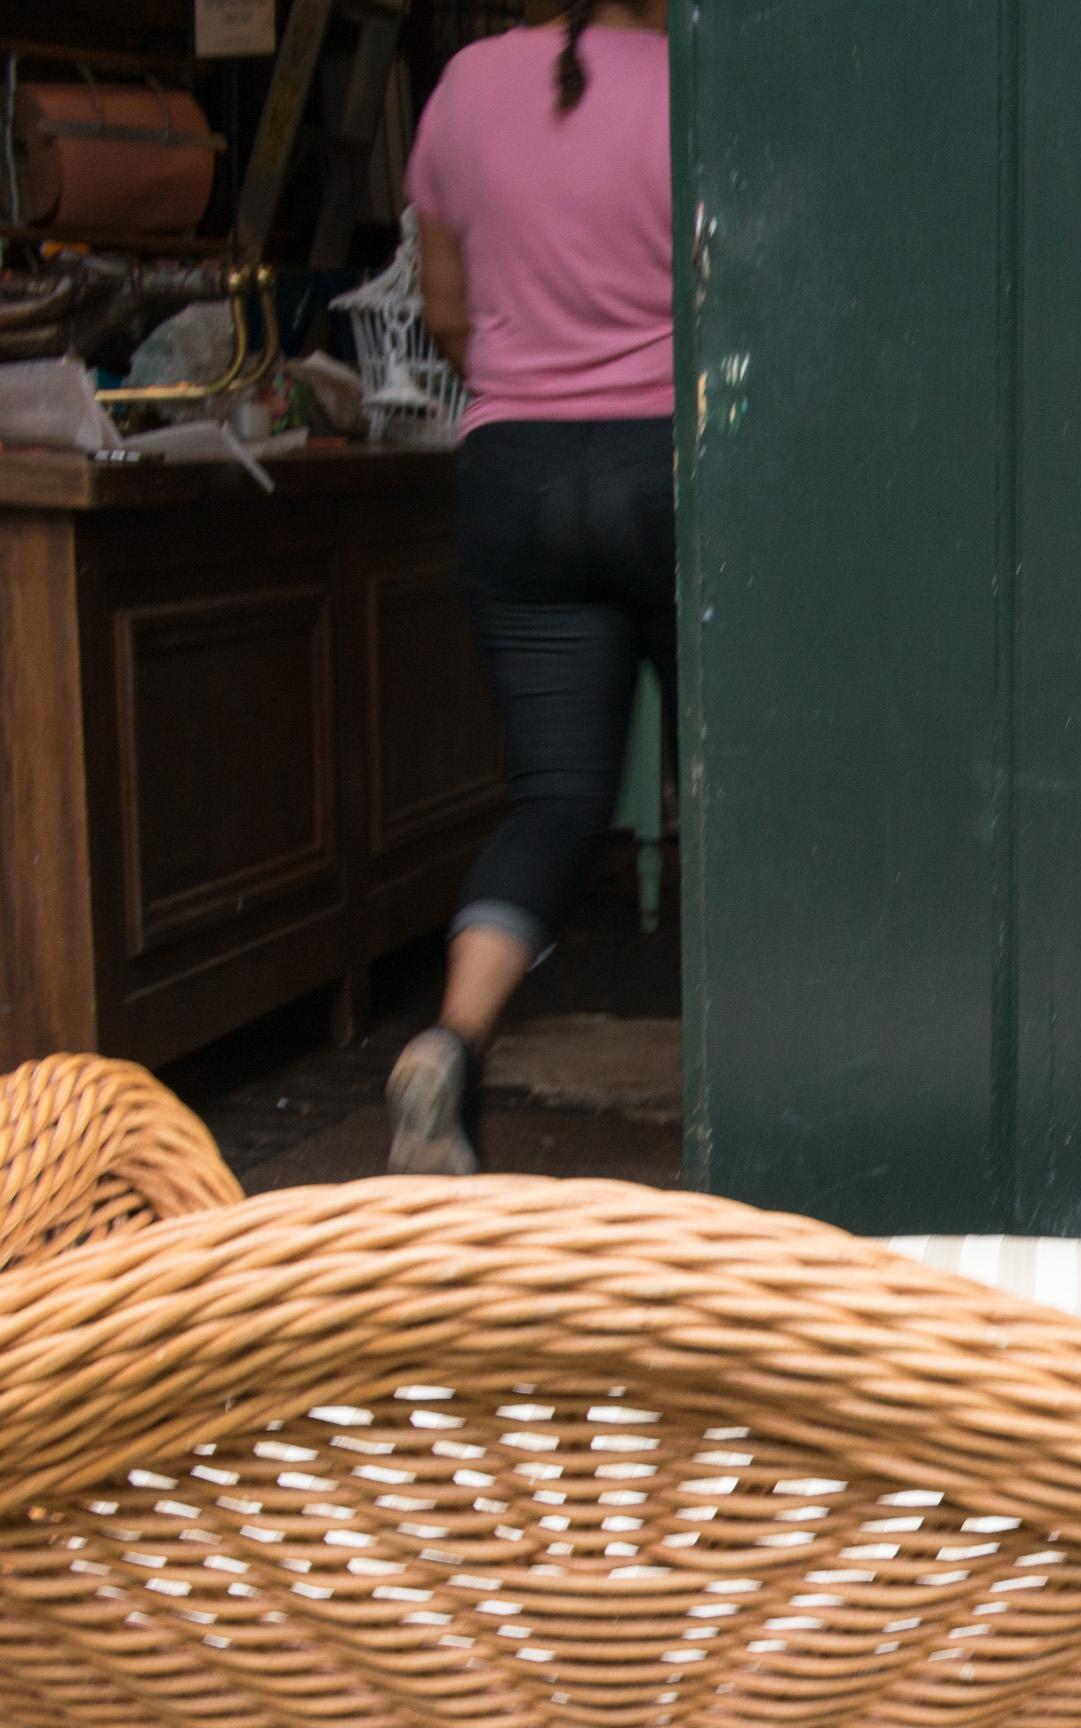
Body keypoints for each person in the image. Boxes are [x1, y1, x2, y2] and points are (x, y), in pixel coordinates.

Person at [386, 0, 674, 1173]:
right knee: (747, 791)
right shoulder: (697, 91)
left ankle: (451, 1043)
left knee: (556, 799)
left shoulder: (460, 88)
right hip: (671, 464)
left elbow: (446, 315)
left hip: (511, 471)